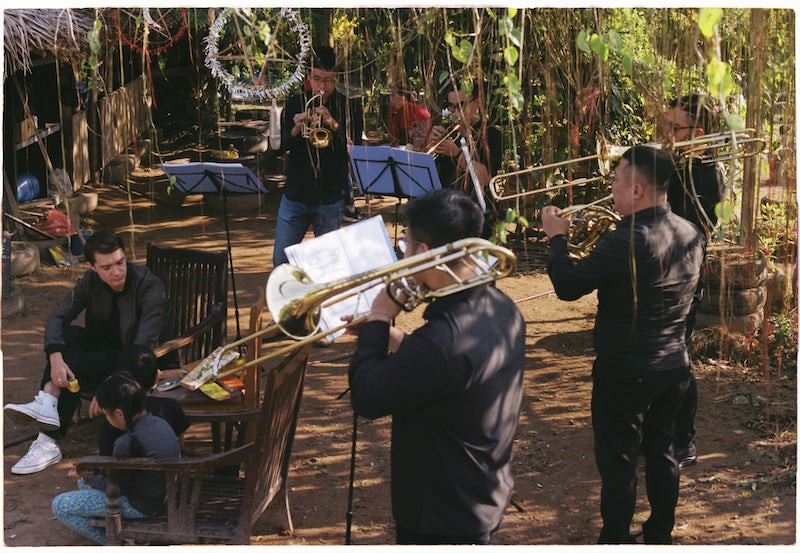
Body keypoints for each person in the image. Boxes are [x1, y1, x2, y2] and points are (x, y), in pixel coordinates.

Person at [541, 145, 706, 544]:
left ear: (637, 191)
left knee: (620, 464)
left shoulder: (624, 240)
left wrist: (557, 240)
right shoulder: (692, 233)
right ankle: (658, 536)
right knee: (664, 453)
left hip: (626, 371)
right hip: (674, 368)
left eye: (616, 180)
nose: (611, 188)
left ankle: (614, 539)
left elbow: (567, 286)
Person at [347, 188, 526, 544]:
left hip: (441, 514)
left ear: (423, 253)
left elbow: (367, 397)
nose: (403, 253)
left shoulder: (443, 340)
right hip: (479, 493)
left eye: (405, 244)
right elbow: (452, 374)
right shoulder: (500, 306)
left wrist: (380, 317)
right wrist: (393, 340)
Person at [4, 230, 171, 475]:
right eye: (106, 267)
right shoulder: (89, 282)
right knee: (69, 336)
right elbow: (58, 318)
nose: (116, 272)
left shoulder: (149, 286)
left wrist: (112, 384)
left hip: (133, 359)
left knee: (76, 365)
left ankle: (49, 438)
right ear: (93, 267)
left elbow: (142, 346)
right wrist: (55, 357)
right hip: (99, 352)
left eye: (120, 262)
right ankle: (49, 399)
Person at [663, 93, 724, 468]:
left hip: (684, 279)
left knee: (678, 360)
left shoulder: (708, 172)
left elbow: (699, 231)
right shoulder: (672, 163)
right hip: (657, 274)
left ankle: (684, 440)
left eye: (674, 128)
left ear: (697, 132)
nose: (666, 134)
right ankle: (658, 434)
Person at [52, 373, 181, 545]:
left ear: (119, 414)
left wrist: (86, 474)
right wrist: (90, 472)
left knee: (60, 505)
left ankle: (114, 542)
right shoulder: (160, 423)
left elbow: (115, 489)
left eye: (107, 414)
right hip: (164, 495)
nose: (107, 418)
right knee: (83, 486)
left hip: (142, 506)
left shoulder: (127, 442)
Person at [274, 45, 363, 266]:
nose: (322, 86)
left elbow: (354, 148)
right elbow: (278, 147)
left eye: (328, 80)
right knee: (281, 261)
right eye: (317, 79)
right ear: (308, 77)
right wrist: (295, 129)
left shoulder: (348, 106)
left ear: (337, 80)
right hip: (296, 194)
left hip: (330, 196)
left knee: (326, 265)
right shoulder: (295, 103)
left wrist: (332, 123)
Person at [429, 82, 502, 234]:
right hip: (445, 211)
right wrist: (429, 145)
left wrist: (456, 153)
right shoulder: (447, 133)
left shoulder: (491, 135)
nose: (455, 112)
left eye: (461, 105)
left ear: (477, 103)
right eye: (451, 107)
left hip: (476, 215)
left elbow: (486, 177)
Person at [95, 345, 189, 456]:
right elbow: (179, 443)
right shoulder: (165, 415)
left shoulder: (117, 423)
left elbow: (108, 465)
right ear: (156, 377)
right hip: (172, 470)